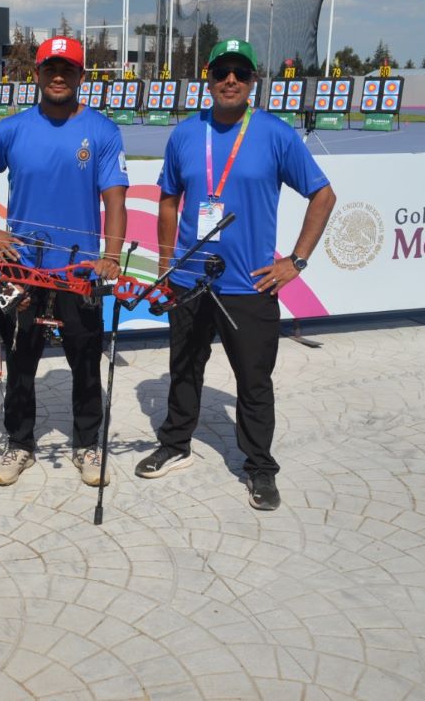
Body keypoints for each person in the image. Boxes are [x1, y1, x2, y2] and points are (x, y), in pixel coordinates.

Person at [134, 38, 336, 511]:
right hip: (189, 280)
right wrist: (166, 266)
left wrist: (296, 261)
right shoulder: (186, 134)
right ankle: (176, 443)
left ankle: (259, 467)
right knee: (184, 368)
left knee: (253, 379)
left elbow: (323, 196)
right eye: (222, 71)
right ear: (208, 78)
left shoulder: (275, 133)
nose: (230, 80)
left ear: (252, 81)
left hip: (249, 283)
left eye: (240, 73)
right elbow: (167, 200)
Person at [0, 36, 129, 487]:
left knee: (87, 360)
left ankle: (87, 444)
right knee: (20, 361)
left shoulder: (104, 131)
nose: (58, 76)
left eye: (68, 69)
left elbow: (115, 200)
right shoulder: (12, 129)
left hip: (79, 271)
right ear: (35, 74)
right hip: (22, 271)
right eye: (50, 68)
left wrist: (111, 255)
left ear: (81, 76)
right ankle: (20, 444)